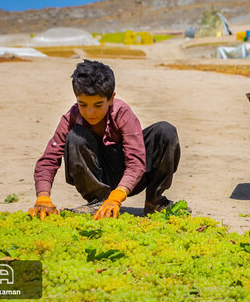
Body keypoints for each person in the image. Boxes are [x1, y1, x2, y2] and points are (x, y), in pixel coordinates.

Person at [28, 60, 180, 220]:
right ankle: (98, 201)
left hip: (132, 178)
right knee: (75, 136)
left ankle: (154, 202)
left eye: (98, 104)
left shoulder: (122, 113)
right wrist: (43, 197)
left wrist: (117, 196)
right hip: (97, 177)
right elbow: (49, 160)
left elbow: (136, 161)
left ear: (111, 98)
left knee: (166, 131)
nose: (90, 112)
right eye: (83, 104)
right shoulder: (70, 118)